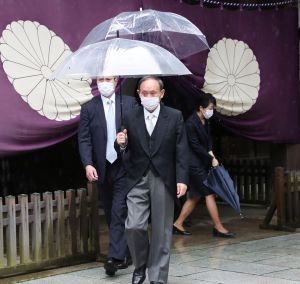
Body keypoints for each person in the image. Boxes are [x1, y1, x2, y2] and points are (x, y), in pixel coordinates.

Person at [116, 76, 189, 284]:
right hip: (137, 177)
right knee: (134, 226)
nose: (148, 97)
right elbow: (124, 148)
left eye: (153, 93)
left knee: (161, 230)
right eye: (144, 93)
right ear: (138, 94)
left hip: (163, 177)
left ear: (162, 94)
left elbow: (182, 150)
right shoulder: (130, 116)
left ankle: (157, 276)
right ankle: (140, 265)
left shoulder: (174, 117)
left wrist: (182, 179)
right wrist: (120, 143)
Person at [78, 76, 136, 276]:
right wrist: (88, 164)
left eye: (108, 79)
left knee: (118, 210)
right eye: (101, 79)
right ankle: (126, 253)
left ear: (116, 80)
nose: (104, 82)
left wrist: (125, 140)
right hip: (102, 168)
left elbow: (138, 132)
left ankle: (114, 258)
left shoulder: (128, 103)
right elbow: (84, 139)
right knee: (112, 211)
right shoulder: (89, 108)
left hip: (123, 165)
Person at [173, 93, 235, 238]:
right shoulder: (190, 123)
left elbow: (207, 142)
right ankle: (218, 227)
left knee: (195, 196)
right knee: (209, 193)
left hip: (201, 162)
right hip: (193, 164)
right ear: (201, 108)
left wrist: (211, 154)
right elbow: (194, 145)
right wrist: (210, 157)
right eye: (210, 108)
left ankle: (178, 223)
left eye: (212, 108)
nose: (211, 111)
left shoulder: (205, 121)